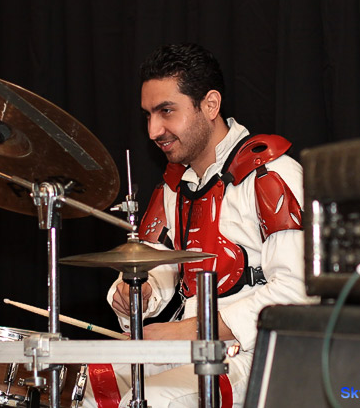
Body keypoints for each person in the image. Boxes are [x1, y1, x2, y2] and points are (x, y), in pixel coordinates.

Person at [82, 43, 312, 408]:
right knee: (87, 386)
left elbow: (298, 294)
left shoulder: (270, 175)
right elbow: (157, 265)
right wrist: (137, 292)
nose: (153, 130)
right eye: (148, 115)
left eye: (166, 111)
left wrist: (185, 330)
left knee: (153, 400)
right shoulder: (174, 187)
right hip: (192, 347)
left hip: (258, 354)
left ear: (210, 105)